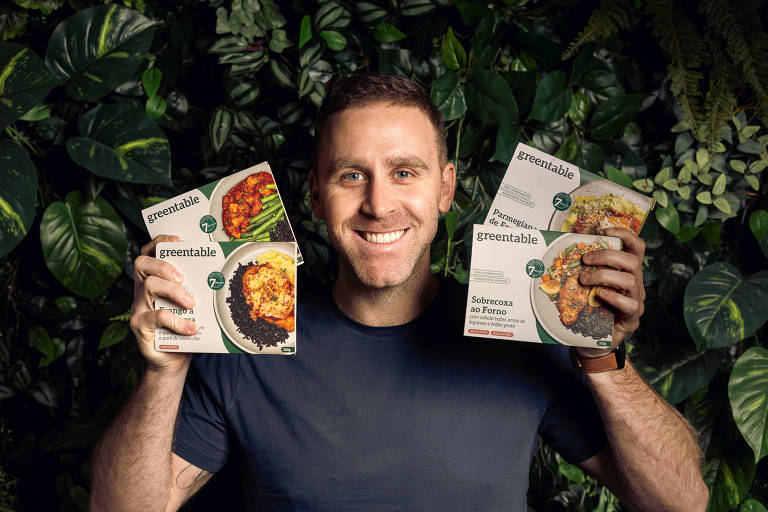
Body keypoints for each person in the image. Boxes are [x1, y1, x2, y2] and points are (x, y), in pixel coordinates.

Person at [90, 74, 708, 511]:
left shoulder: (524, 329)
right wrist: (164, 374)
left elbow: (681, 503)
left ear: (445, 189)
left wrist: (600, 356)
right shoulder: (250, 334)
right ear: (314, 194)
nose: (379, 205)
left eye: (404, 173)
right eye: (350, 175)